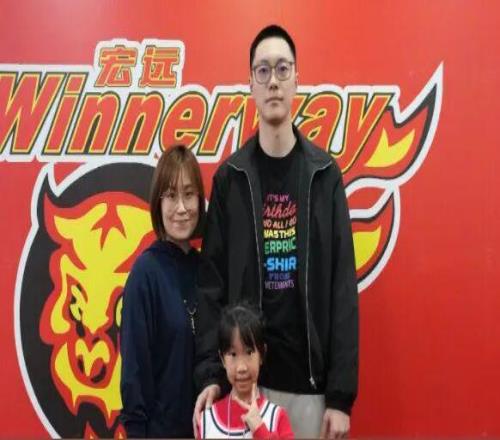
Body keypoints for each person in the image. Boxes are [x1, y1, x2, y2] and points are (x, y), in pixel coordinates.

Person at [194, 24, 359, 439]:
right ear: (250, 83)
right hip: (245, 387)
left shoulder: (325, 176)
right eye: (263, 70)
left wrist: (340, 397)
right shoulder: (230, 179)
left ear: (296, 80)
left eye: (282, 69)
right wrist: (212, 374)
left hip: (310, 390)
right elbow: (211, 288)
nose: (273, 81)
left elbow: (342, 290)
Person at [120, 144, 205, 437]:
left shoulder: (208, 271)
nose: (181, 207)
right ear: (158, 203)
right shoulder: (145, 274)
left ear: (200, 200)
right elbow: (134, 374)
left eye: (189, 194)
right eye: (170, 196)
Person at [197, 304, 293, 439]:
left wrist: (259, 429)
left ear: (262, 354)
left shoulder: (277, 417)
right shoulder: (206, 420)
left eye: (249, 352)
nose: (241, 367)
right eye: (233, 354)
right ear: (222, 359)